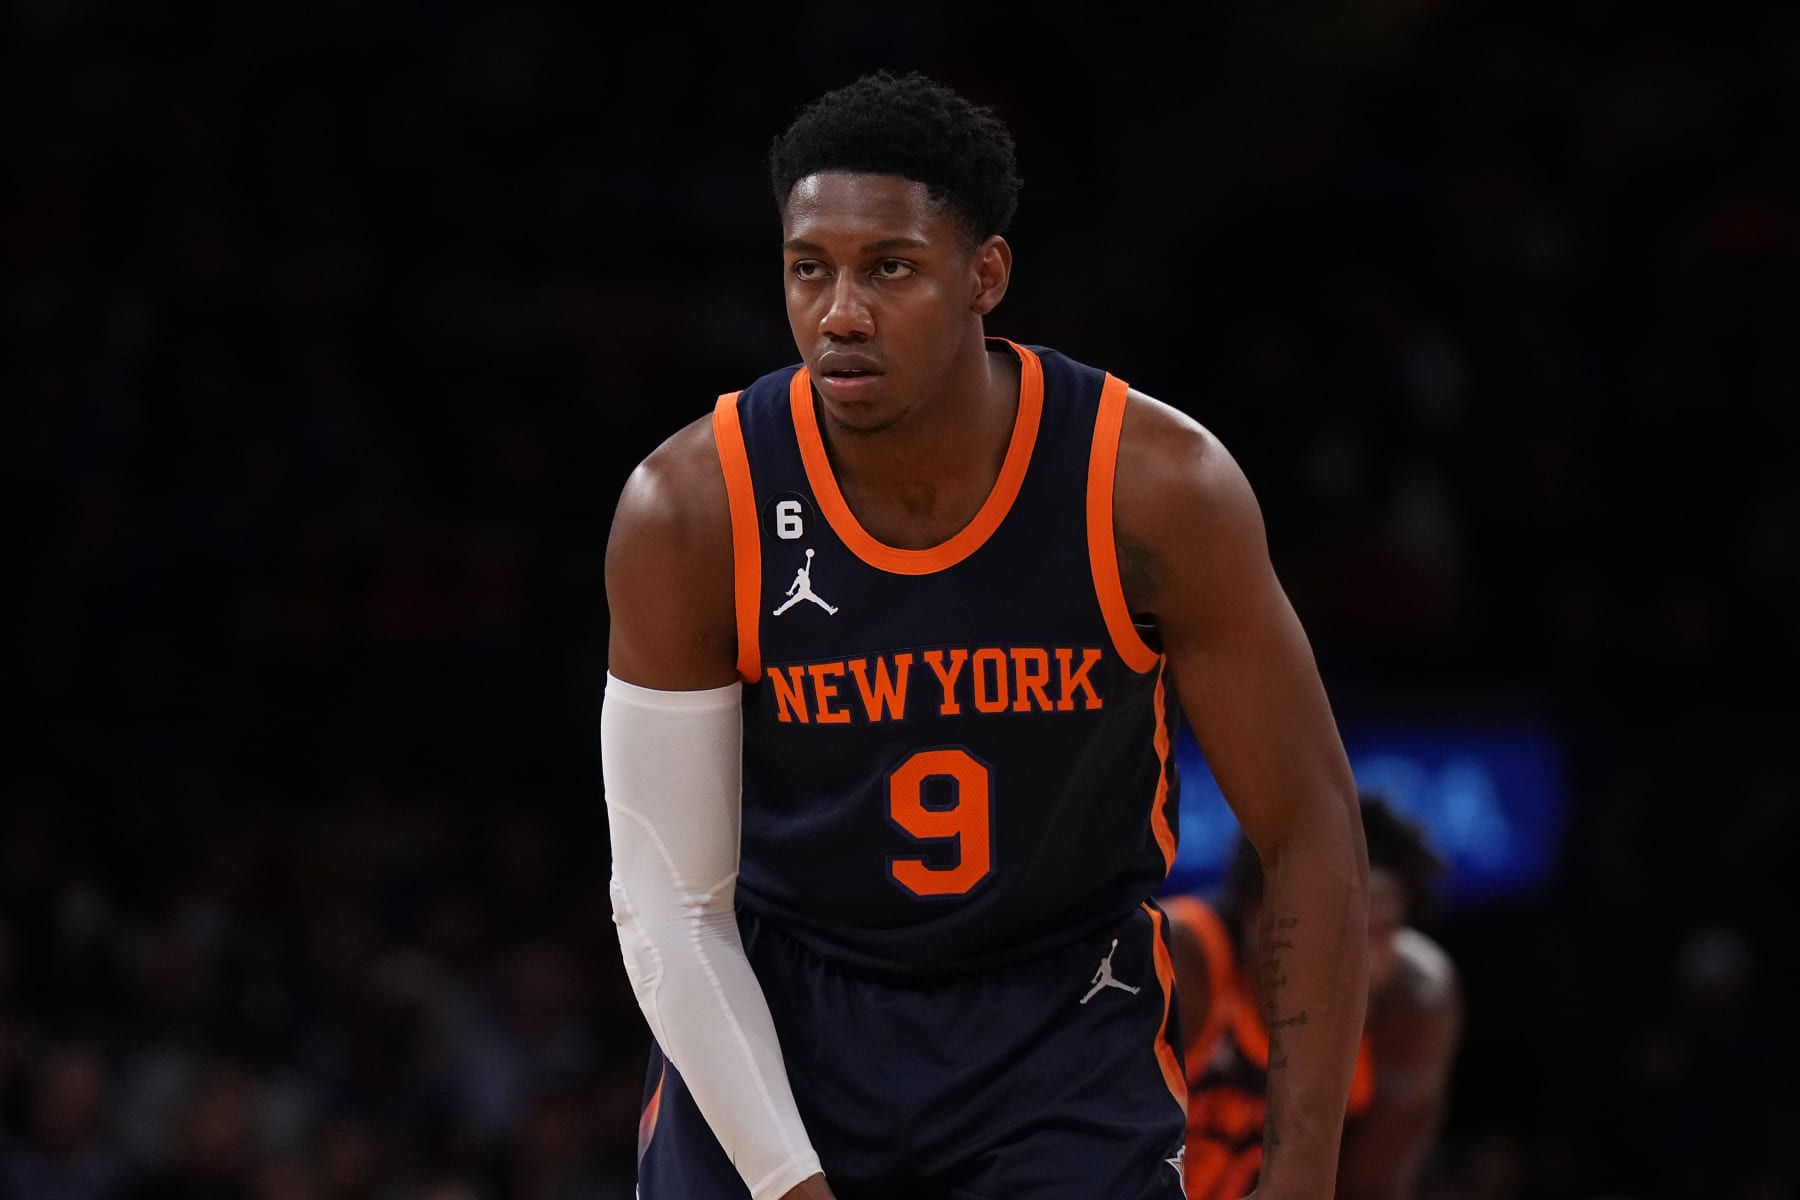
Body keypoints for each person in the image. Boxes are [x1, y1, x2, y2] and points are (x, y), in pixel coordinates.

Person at [601, 68, 1371, 1200]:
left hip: (1058, 1017)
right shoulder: (692, 508)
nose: (840, 313)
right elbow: (668, 898)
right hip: (781, 1008)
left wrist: (1298, 1182)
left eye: (890, 269)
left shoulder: (1152, 491)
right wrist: (788, 1181)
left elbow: (1308, 831)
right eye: (808, 270)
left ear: (986, 276)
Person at [1163, 795, 1463, 1200]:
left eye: (1378, 931)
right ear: (1258, 915)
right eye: (1334, 929)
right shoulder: (1178, 965)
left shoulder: (1411, 1006)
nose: (1356, 959)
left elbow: (1372, 1189)